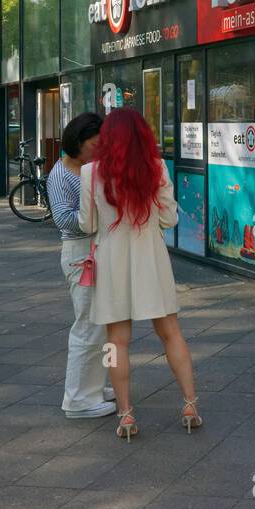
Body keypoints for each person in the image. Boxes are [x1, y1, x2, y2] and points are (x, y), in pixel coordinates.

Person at [78, 108, 199, 441]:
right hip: (151, 261)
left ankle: (126, 414)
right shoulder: (156, 168)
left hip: (113, 263)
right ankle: (190, 405)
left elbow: (87, 225)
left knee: (116, 342)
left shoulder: (90, 173)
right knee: (171, 333)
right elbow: (170, 219)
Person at [47, 113, 116, 420]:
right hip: (81, 254)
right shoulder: (62, 175)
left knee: (99, 324)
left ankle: (94, 387)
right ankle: (78, 399)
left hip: (95, 250)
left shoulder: (90, 168)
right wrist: (101, 216)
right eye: (94, 144)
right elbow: (63, 219)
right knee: (88, 325)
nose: (98, 150)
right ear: (78, 142)